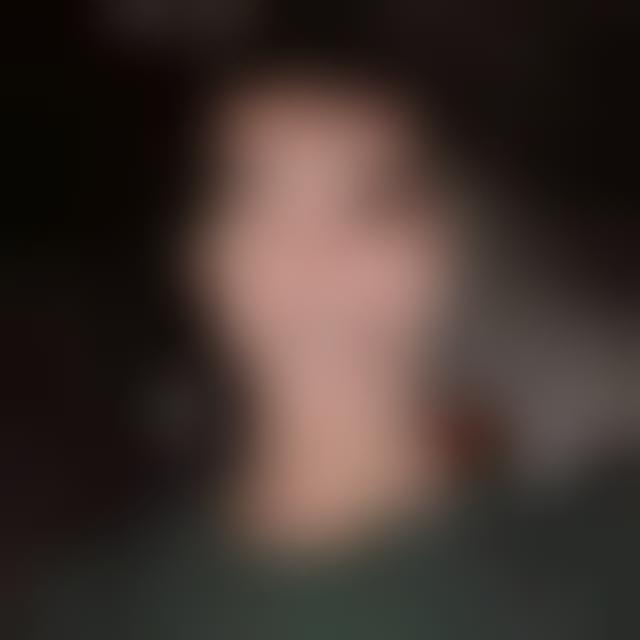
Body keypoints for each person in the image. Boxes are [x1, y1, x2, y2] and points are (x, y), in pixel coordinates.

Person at [30, 45, 634, 640]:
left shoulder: (606, 556)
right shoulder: (94, 610)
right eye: (261, 206)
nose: (314, 263)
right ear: (199, 257)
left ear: (449, 248)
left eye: (369, 207)